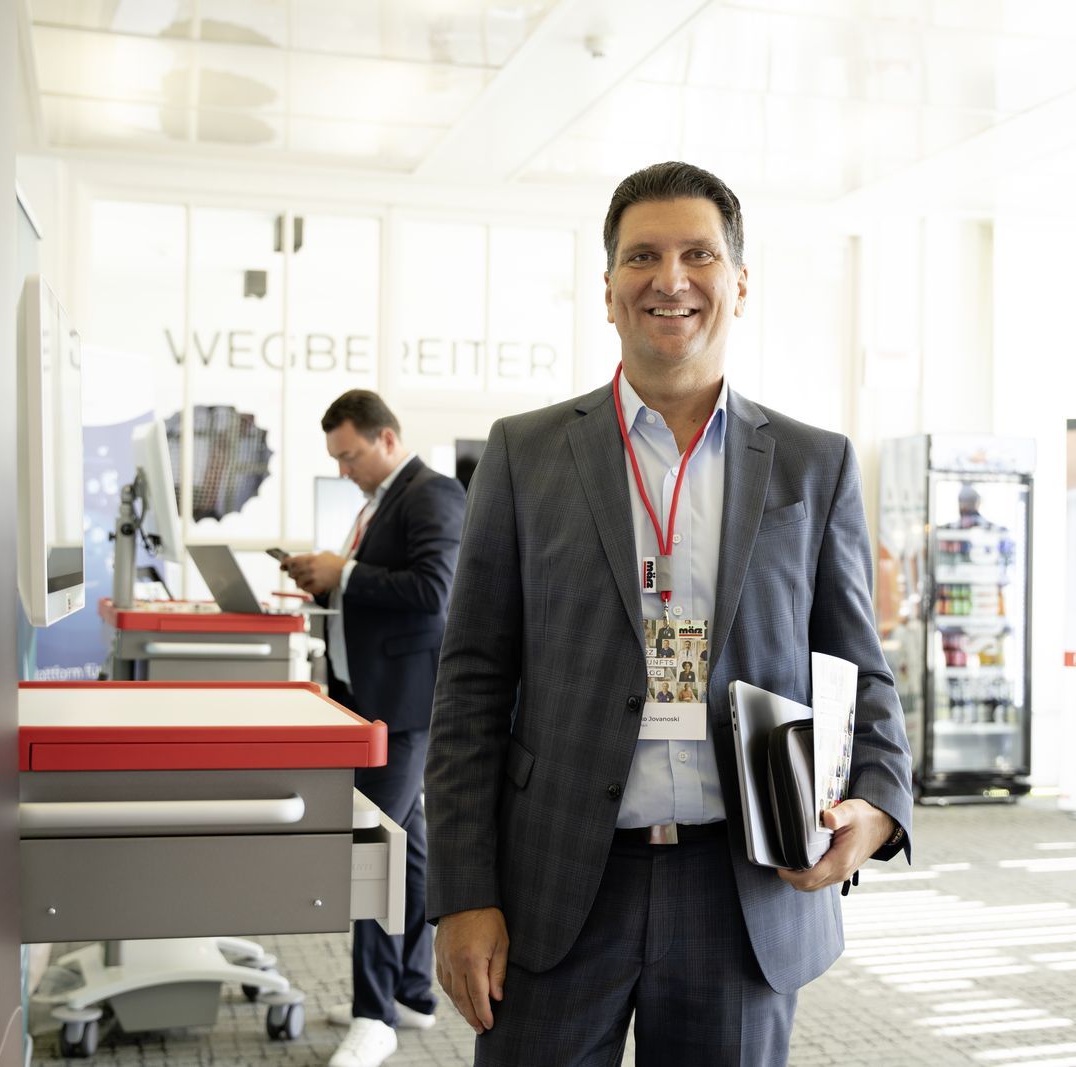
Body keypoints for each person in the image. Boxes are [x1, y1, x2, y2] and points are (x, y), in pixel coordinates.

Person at [424, 162, 912, 1067]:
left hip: (742, 886)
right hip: (557, 880)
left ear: (740, 283)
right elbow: (471, 686)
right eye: (642, 256)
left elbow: (858, 663)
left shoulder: (814, 463)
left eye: (700, 254)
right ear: (608, 288)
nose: (670, 279)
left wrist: (880, 805)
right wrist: (462, 890)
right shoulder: (525, 453)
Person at [282, 389, 466, 1067]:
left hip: (405, 706)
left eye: (350, 454)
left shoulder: (431, 493)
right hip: (368, 698)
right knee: (404, 848)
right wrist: (326, 580)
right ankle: (410, 992)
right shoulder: (380, 500)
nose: (343, 469)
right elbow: (383, 586)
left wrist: (347, 572)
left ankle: (373, 1014)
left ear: (387, 439)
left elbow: (434, 589)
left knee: (372, 851)